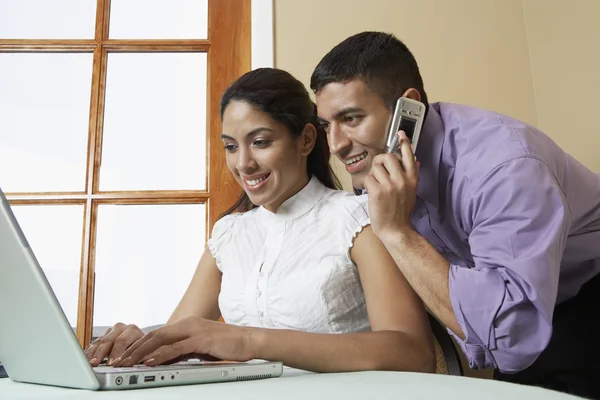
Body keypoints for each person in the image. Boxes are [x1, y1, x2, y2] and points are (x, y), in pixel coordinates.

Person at [85, 68, 435, 373]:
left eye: (261, 142)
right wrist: (138, 341)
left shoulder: (357, 221)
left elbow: (413, 354)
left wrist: (250, 340)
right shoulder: (230, 234)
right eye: (232, 147)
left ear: (306, 140)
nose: (244, 164)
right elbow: (180, 335)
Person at [311, 31, 600, 397]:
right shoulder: (380, 164)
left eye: (350, 118)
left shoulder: (505, 167)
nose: (335, 144)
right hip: (518, 315)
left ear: (408, 108)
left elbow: (514, 338)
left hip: (584, 298)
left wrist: (396, 233)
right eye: (326, 126)